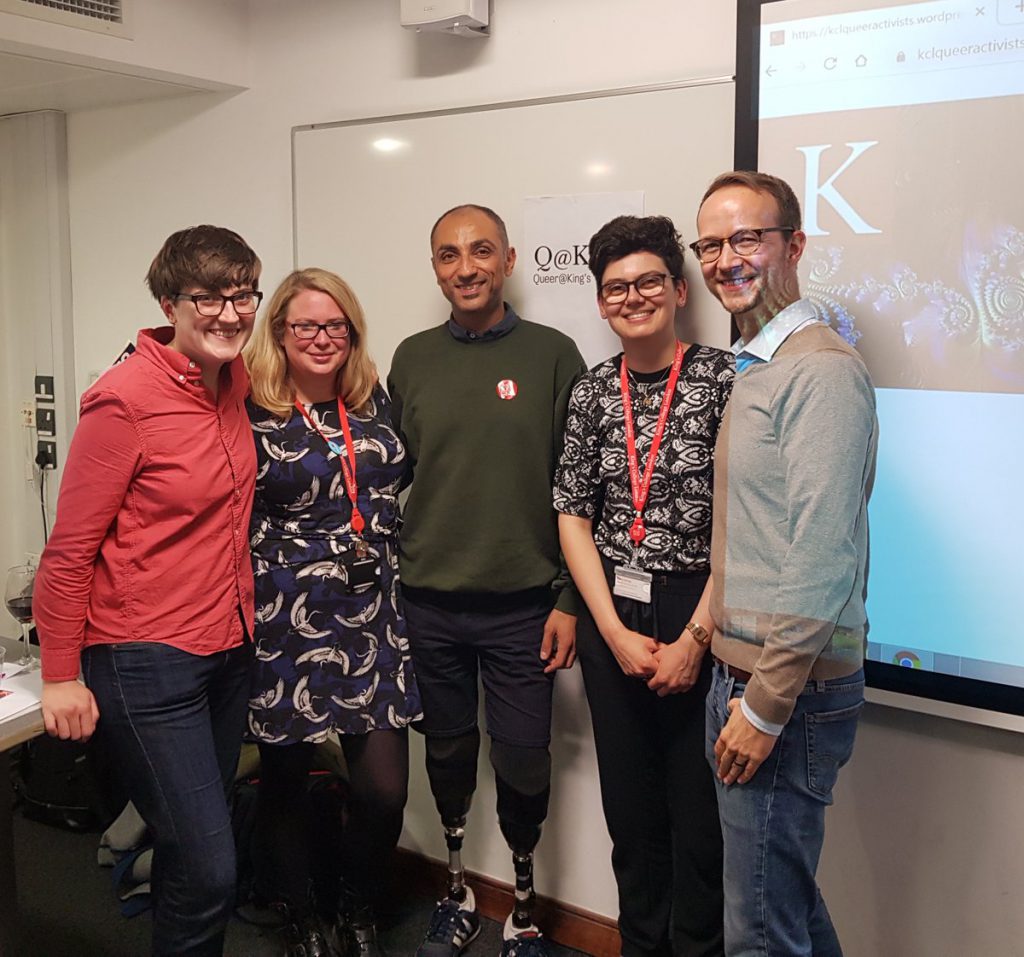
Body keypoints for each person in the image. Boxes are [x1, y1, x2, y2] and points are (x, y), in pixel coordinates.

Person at [34, 225, 263, 956]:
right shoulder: (123, 402)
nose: (230, 314)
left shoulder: (234, 379)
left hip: (228, 649)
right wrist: (61, 674)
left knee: (191, 851)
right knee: (209, 862)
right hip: (145, 661)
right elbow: (68, 553)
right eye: (209, 298)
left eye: (244, 295)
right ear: (171, 302)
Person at [387, 204, 586, 957]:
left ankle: (527, 906)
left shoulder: (553, 354)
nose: (464, 267)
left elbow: (580, 490)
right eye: (447, 254)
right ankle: (459, 887)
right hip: (428, 604)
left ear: (508, 259)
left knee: (524, 759)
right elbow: (387, 475)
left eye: (479, 251)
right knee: (444, 755)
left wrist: (569, 596)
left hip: (524, 610)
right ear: (434, 266)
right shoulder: (410, 358)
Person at [693, 171, 878, 956]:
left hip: (785, 689)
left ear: (794, 245)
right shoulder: (759, 361)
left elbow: (822, 557)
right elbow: (760, 533)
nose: (725, 259)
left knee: (760, 932)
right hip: (748, 674)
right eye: (710, 243)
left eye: (746, 238)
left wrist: (764, 706)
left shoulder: (820, 370)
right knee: (784, 908)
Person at [554, 215, 731, 957]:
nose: (633, 296)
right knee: (631, 812)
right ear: (600, 303)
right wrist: (613, 631)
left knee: (700, 815)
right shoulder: (593, 392)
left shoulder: (728, 380)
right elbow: (572, 514)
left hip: (705, 603)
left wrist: (697, 638)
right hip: (611, 609)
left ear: (680, 290)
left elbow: (747, 522)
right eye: (616, 287)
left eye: (649, 281)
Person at [244, 268, 422, 957]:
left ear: (352, 330)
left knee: (382, 789)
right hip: (284, 617)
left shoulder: (375, 399)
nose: (322, 338)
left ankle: (357, 907)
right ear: (279, 334)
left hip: (373, 615)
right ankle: (302, 916)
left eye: (335, 325)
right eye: (305, 326)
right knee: (284, 780)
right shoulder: (250, 409)